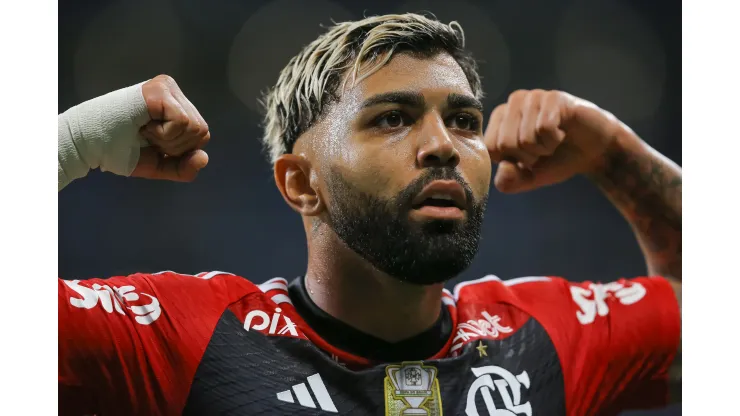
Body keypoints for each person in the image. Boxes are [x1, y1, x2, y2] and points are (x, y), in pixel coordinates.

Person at [58, 13, 681, 416]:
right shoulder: (188, 337)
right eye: (392, 118)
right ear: (301, 183)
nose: (445, 145)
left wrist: (613, 151)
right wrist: (69, 143)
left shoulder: (541, 337)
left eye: (464, 121)